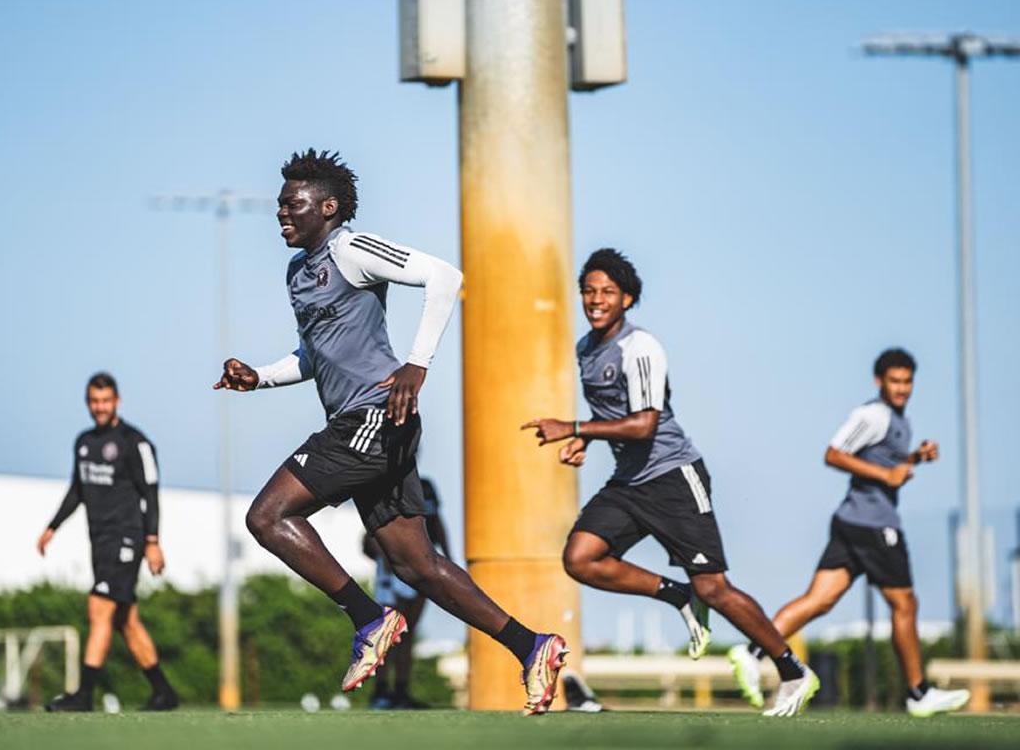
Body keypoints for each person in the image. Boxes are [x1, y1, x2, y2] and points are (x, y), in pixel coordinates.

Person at [216, 149, 567, 715]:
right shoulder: (298, 272)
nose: (281, 212)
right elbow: (314, 354)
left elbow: (444, 278)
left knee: (267, 516)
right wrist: (257, 378)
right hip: (369, 424)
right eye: (280, 204)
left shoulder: (351, 248)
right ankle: (532, 646)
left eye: (292, 204)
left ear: (327, 208)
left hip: (374, 416)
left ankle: (369, 619)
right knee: (416, 565)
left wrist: (417, 363)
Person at [522, 248, 818, 717]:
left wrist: (574, 428)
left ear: (628, 299)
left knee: (714, 589)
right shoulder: (586, 348)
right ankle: (675, 595)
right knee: (580, 559)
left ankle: (791, 670)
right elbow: (613, 414)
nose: (596, 300)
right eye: (589, 291)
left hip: (673, 478)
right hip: (629, 482)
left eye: (608, 293)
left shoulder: (642, 348)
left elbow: (643, 424)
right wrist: (589, 441)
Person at [728, 349, 970, 717]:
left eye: (907, 382)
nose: (902, 388)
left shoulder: (898, 419)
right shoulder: (872, 415)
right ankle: (918, 693)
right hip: (873, 527)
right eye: (895, 381)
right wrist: (887, 475)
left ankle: (751, 653)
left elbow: (885, 466)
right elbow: (834, 453)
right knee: (905, 604)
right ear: (879, 381)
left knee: (819, 600)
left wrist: (915, 459)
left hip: (854, 523)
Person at [38, 372, 178, 712]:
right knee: (125, 620)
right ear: (88, 402)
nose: (99, 408)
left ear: (117, 401)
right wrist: (52, 526)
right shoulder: (84, 442)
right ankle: (163, 692)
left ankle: (84, 695)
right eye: (94, 402)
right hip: (99, 542)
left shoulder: (135, 443)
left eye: (105, 401)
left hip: (127, 539)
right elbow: (78, 490)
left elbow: (152, 494)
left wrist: (152, 541)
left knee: (99, 607)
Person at [364, 476, 449, 709]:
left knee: (408, 634)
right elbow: (369, 537)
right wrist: (387, 558)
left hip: (420, 569)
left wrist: (449, 561)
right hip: (391, 573)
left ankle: (401, 691)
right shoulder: (380, 484)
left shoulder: (425, 487)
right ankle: (380, 692)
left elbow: (437, 524)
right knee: (387, 633)